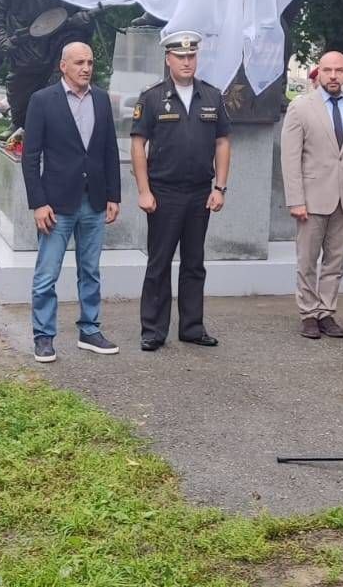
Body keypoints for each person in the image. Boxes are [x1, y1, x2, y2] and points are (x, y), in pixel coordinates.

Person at [130, 29, 231, 350]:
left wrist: (220, 187)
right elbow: (137, 145)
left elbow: (223, 142)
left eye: (191, 56)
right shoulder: (153, 97)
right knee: (159, 263)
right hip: (164, 192)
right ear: (168, 59)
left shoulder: (212, 97)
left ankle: (191, 327)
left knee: (194, 262)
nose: (187, 62)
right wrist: (144, 191)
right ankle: (153, 330)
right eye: (180, 57)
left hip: (200, 192)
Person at [20, 41, 121, 362]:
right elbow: (30, 155)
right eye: (79, 62)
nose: (86, 68)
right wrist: (38, 202)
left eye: (90, 62)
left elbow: (108, 151)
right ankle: (43, 336)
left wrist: (114, 196)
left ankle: (90, 329)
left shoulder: (102, 100)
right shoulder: (42, 101)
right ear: (63, 66)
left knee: (90, 271)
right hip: (56, 206)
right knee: (47, 274)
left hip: (94, 202)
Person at [281, 51, 343, 339]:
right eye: (327, 70)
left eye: (339, 70)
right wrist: (295, 199)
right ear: (318, 73)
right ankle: (308, 313)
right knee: (307, 260)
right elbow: (290, 158)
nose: (333, 76)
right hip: (311, 197)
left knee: (336, 260)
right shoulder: (301, 107)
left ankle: (327, 312)